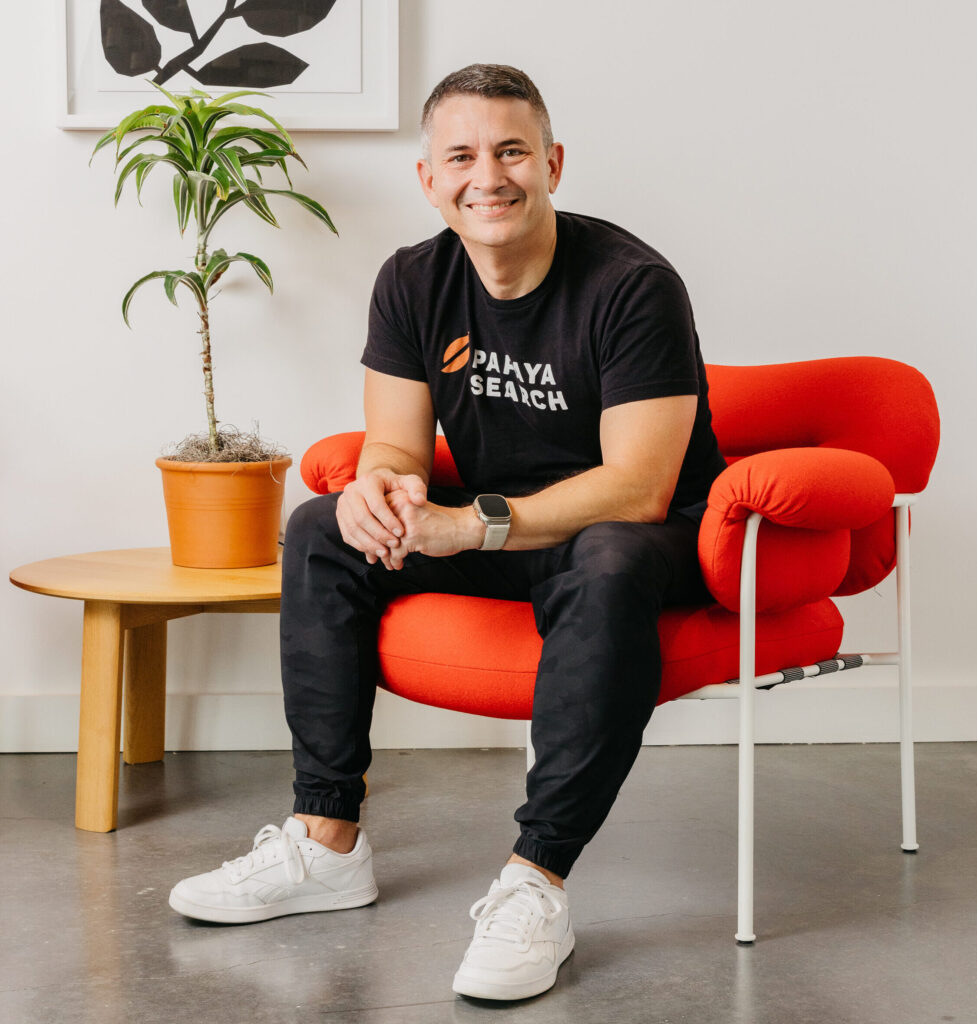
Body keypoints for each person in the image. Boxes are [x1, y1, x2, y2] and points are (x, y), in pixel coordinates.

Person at [169, 64, 726, 1001]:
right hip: (495, 536)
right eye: (461, 156)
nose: (488, 176)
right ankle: (326, 842)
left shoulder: (633, 285)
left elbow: (637, 487)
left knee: (611, 551)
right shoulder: (413, 279)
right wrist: (379, 494)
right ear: (429, 179)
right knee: (317, 527)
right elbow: (394, 441)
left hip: (633, 542)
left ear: (551, 163)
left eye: (511, 150)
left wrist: (466, 527)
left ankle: (536, 879)